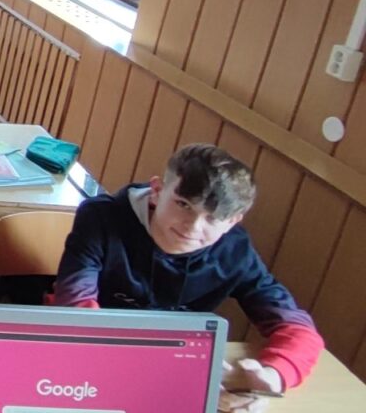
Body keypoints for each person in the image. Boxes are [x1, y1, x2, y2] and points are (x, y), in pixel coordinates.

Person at [54, 144, 324, 409]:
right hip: (91, 366)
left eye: (212, 218)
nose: (193, 227)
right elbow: (76, 310)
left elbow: (298, 329)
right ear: (157, 191)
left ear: (233, 221)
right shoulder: (101, 218)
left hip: (173, 373)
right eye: (183, 205)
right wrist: (166, 368)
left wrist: (273, 378)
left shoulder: (235, 251)